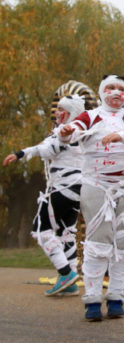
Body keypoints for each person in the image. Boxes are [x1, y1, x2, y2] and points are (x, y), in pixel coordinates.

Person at [58, 75, 124, 321]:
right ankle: (91, 299)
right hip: (96, 184)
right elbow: (72, 132)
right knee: (99, 240)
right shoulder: (90, 116)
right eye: (110, 88)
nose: (116, 92)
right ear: (102, 92)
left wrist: (122, 136)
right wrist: (67, 131)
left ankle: (116, 296)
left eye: (121, 89)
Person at [3, 95, 87, 296]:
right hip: (78, 190)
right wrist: (22, 152)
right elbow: (48, 143)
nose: (56, 113)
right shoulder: (81, 133)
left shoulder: (67, 132)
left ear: (69, 113)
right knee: (66, 233)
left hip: (62, 189)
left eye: (60, 109)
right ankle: (70, 283)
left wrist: (21, 154)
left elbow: (48, 149)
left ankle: (65, 273)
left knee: (41, 231)